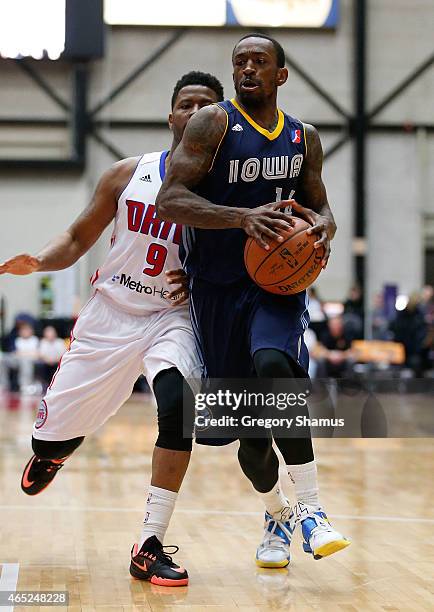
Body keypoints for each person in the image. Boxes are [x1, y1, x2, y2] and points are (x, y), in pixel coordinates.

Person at [0, 71, 225, 586]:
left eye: (206, 105)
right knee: (49, 439)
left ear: (220, 122)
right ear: (171, 118)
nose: (194, 111)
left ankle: (149, 542)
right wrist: (37, 260)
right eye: (185, 103)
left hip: (174, 317)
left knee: (177, 404)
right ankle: (55, 449)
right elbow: (78, 238)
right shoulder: (129, 174)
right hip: (111, 313)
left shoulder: (226, 193)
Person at [156, 33, 350, 567]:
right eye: (240, 61)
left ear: (280, 75)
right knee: (251, 445)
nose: (248, 69)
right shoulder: (213, 123)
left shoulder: (302, 137)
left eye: (259, 62)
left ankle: (311, 509)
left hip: (274, 285)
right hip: (215, 290)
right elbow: (171, 198)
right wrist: (241, 217)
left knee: (272, 362)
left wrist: (320, 233)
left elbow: (325, 210)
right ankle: (278, 513)